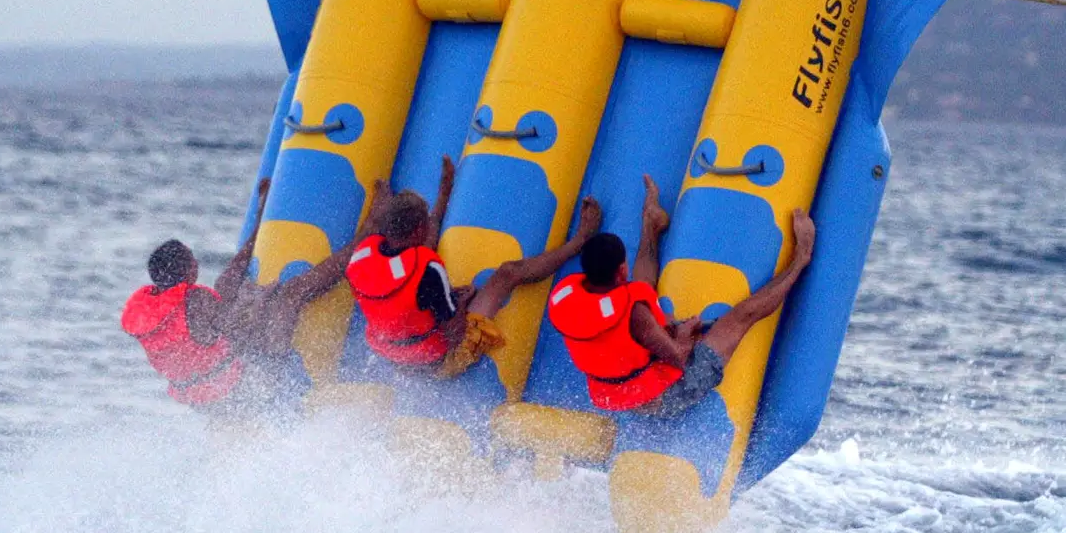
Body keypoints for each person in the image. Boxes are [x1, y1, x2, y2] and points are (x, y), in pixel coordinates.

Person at [547, 175, 815, 417]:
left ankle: (651, 223)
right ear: (622, 269)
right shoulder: (637, 314)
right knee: (738, 319)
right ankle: (800, 260)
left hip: (616, 395)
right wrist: (684, 334)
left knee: (638, 293)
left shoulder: (567, 297)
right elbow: (678, 358)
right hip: (663, 399)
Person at [122, 178, 377, 413]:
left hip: (200, 400)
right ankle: (363, 237)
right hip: (237, 391)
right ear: (190, 269)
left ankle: (259, 223)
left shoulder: (155, 307)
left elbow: (212, 333)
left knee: (227, 282)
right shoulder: (196, 301)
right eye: (193, 258)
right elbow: (241, 332)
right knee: (290, 294)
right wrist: (264, 298)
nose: (196, 262)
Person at [347, 155, 604, 380]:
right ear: (418, 231)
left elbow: (405, 282)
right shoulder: (427, 269)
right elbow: (453, 332)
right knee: (507, 273)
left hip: (396, 359)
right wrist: (461, 302)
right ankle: (580, 240)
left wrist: (445, 192)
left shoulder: (364, 254)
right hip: (438, 361)